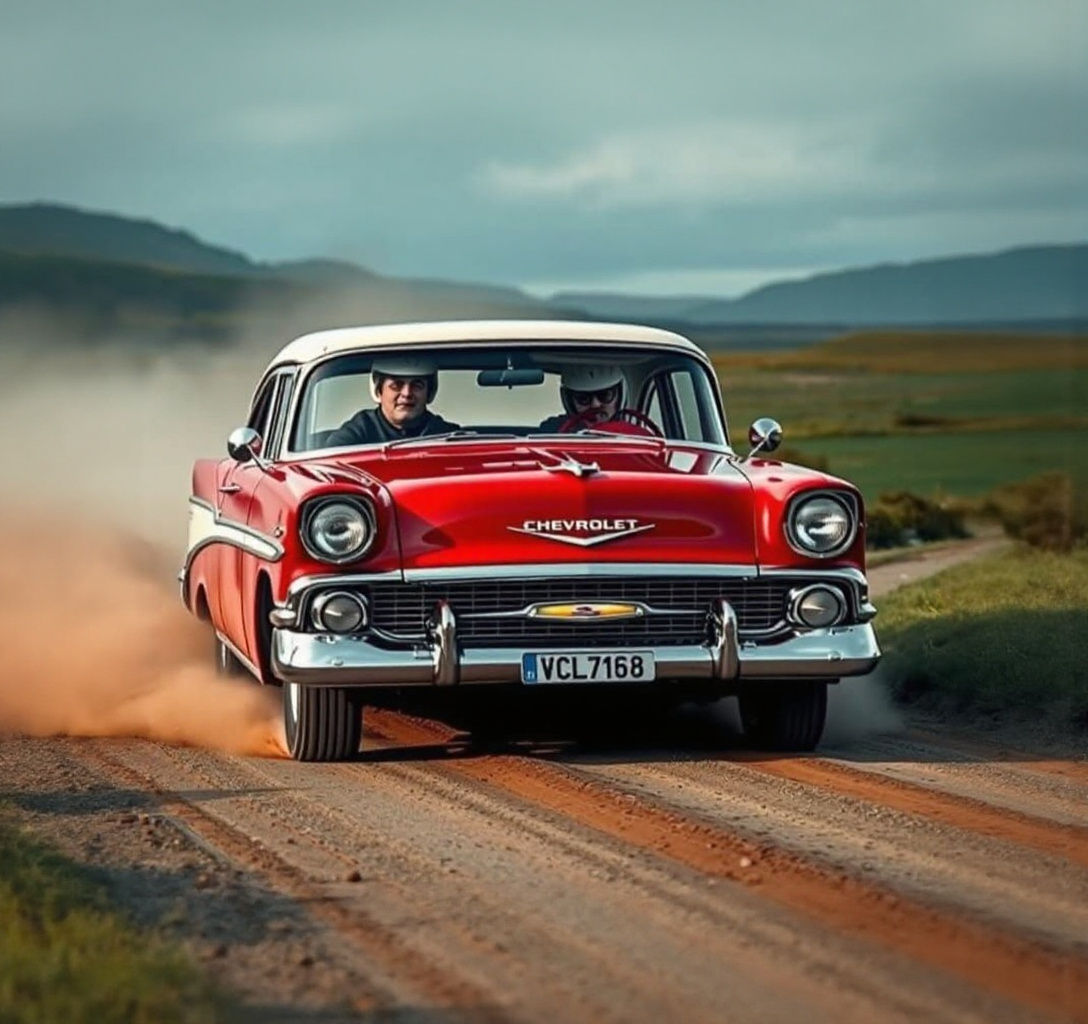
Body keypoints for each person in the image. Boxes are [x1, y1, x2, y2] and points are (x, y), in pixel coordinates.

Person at [325, 357, 460, 446]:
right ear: (379, 390)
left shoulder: (447, 435)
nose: (407, 394)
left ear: (429, 392)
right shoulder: (357, 433)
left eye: (417, 385)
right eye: (396, 385)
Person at [537, 364, 625, 432]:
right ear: (570, 402)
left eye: (605, 395)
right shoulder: (551, 431)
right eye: (583, 398)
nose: (595, 404)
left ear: (619, 396)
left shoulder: (634, 437)